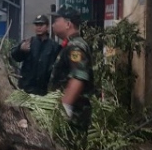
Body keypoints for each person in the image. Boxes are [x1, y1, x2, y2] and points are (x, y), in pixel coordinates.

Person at [49, 7, 95, 138]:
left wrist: (65, 108)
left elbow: (78, 78)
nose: (53, 24)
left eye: (56, 20)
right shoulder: (70, 45)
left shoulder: (75, 47)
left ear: (68, 24)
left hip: (75, 116)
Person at [11, 14, 62, 95]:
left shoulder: (54, 46)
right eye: (37, 25)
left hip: (44, 91)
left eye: (41, 25)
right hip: (26, 89)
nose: (39, 27)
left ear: (47, 27)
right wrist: (20, 49)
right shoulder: (29, 42)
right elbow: (15, 57)